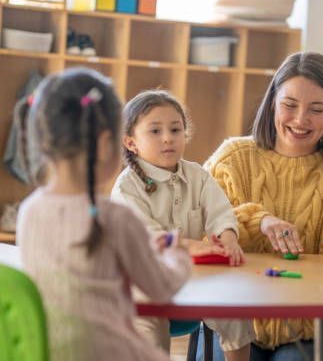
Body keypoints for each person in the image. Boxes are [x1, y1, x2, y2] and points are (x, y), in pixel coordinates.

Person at [203, 51, 323, 360]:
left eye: (316, 109)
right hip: (234, 329)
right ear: (272, 103)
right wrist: (259, 222)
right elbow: (201, 232)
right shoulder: (232, 159)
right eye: (289, 105)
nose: (300, 120)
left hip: (313, 333)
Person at [16, 67, 192, 361]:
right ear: (104, 143)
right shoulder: (115, 218)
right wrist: (177, 257)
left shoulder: (29, 212)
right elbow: (161, 288)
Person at [111, 90, 255, 361]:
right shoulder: (126, 187)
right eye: (155, 131)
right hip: (141, 289)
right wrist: (192, 246)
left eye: (175, 129)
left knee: (234, 309)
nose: (168, 137)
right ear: (131, 143)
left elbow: (220, 212)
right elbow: (147, 238)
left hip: (191, 280)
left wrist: (228, 238)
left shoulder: (197, 175)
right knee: (149, 327)